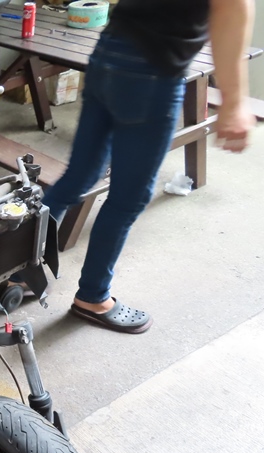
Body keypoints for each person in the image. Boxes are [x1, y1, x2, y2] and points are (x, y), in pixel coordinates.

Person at [42, 0, 255, 334]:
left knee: (79, 175)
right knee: (128, 197)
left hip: (108, 52)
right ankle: (93, 297)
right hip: (151, 71)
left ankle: (17, 271)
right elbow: (233, 11)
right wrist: (233, 101)